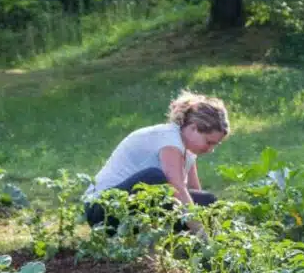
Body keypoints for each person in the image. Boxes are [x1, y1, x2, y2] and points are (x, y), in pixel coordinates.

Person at [83, 91, 230, 231]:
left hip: (131, 206)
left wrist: (210, 226)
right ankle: (150, 245)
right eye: (208, 142)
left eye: (215, 145)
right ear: (193, 128)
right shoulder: (169, 141)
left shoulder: (188, 150)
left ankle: (183, 247)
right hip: (102, 210)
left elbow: (194, 194)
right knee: (156, 179)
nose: (210, 149)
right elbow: (178, 190)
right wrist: (203, 236)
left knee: (207, 202)